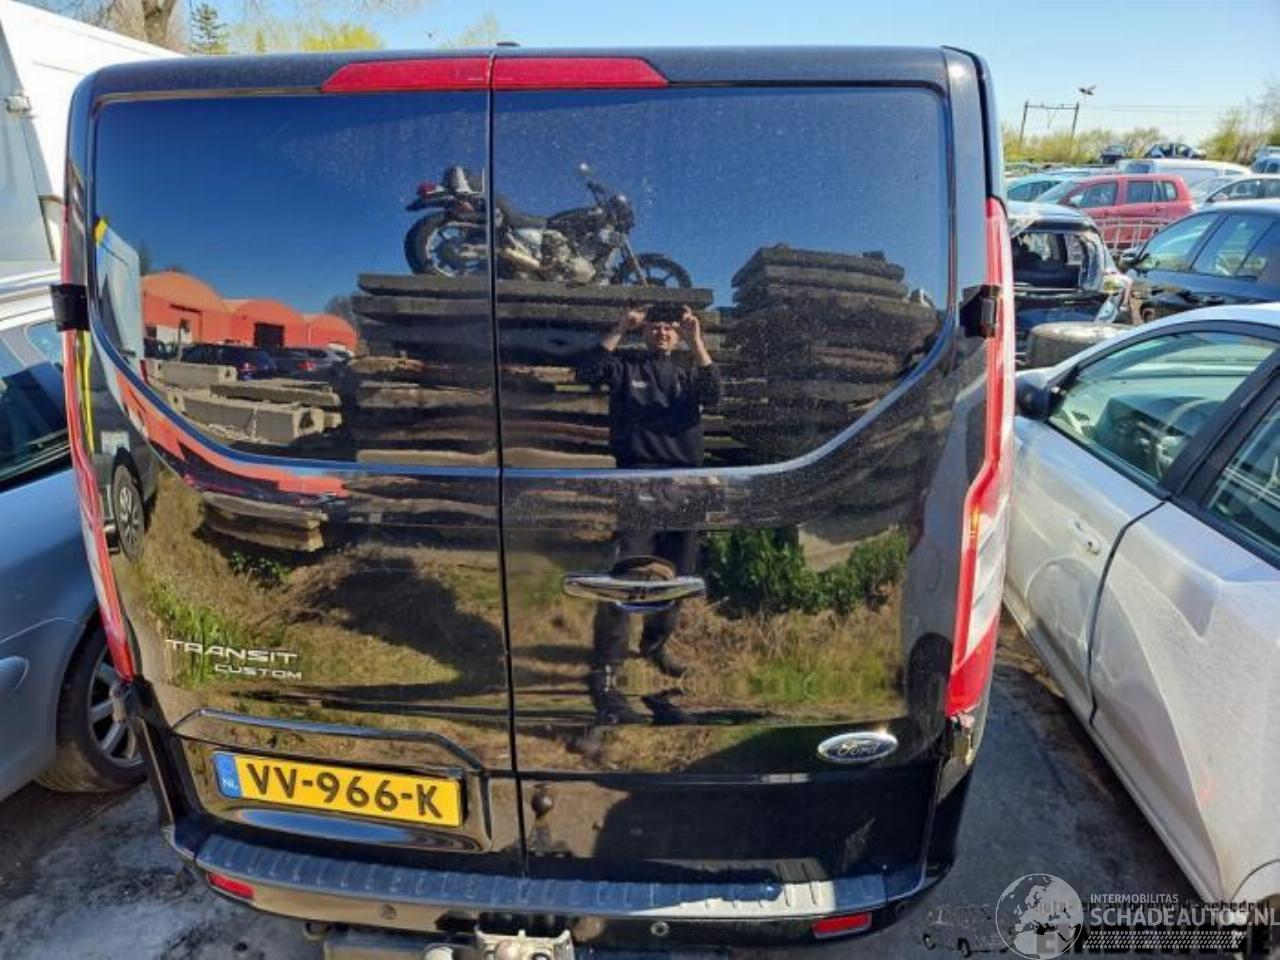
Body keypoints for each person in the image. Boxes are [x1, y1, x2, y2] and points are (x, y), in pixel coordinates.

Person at [573, 302, 721, 724]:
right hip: (637, 480)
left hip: (686, 484)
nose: (662, 332)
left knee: (677, 575)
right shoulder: (626, 366)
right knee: (625, 578)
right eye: (655, 326)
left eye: (670, 327)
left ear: (678, 334)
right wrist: (621, 325)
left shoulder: (689, 371)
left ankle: (655, 645)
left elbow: (714, 394)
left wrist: (697, 341)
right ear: (645, 331)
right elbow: (586, 371)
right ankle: (607, 667)